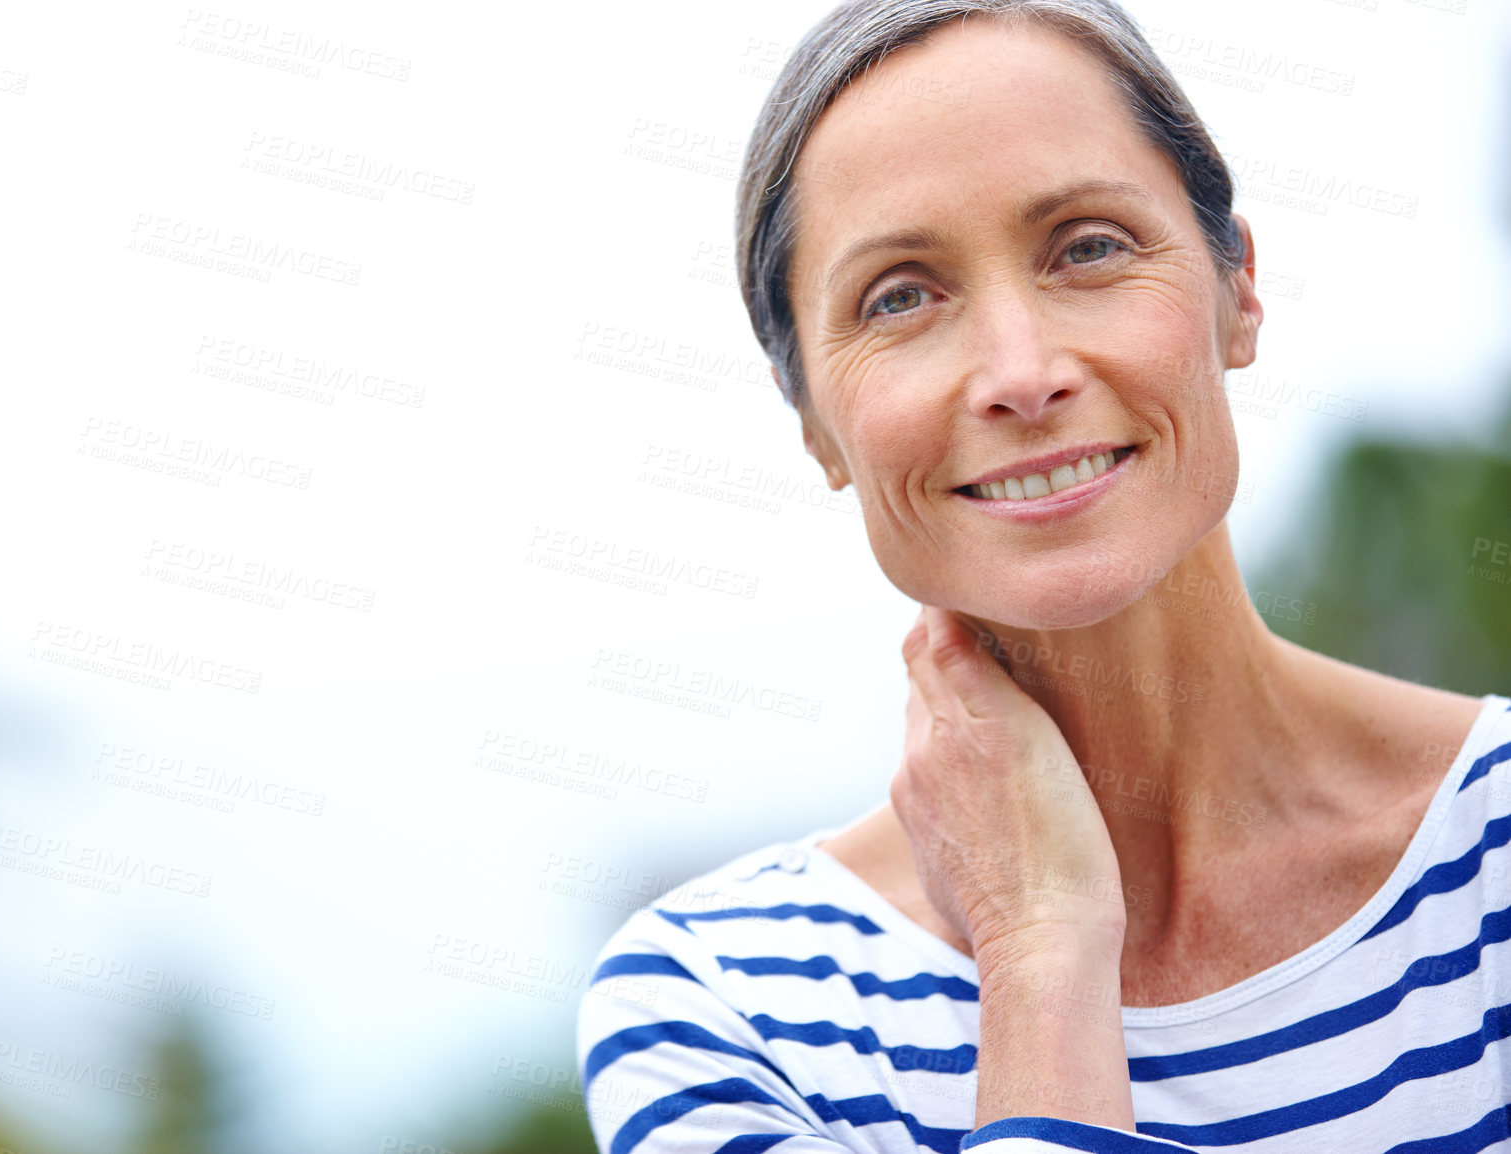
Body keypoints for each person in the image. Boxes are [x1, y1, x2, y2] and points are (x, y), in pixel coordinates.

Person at [573, 1, 1511, 1151]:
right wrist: (1040, 952)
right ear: (816, 427)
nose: (1019, 373)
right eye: (900, 295)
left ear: (1238, 291)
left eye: (1088, 246)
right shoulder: (724, 1004)